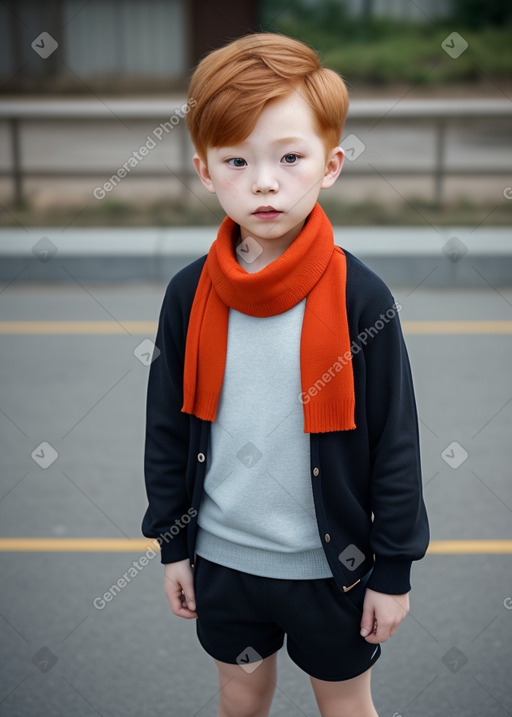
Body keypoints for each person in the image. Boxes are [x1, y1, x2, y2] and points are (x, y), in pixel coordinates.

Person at [142, 32, 429, 717]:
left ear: (330, 165)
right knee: (240, 697)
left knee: (346, 705)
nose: (264, 181)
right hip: (225, 563)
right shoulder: (189, 293)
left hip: (332, 570)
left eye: (289, 157)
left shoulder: (363, 297)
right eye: (236, 160)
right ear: (205, 171)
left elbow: (395, 443)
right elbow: (166, 429)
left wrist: (392, 570)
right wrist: (172, 545)